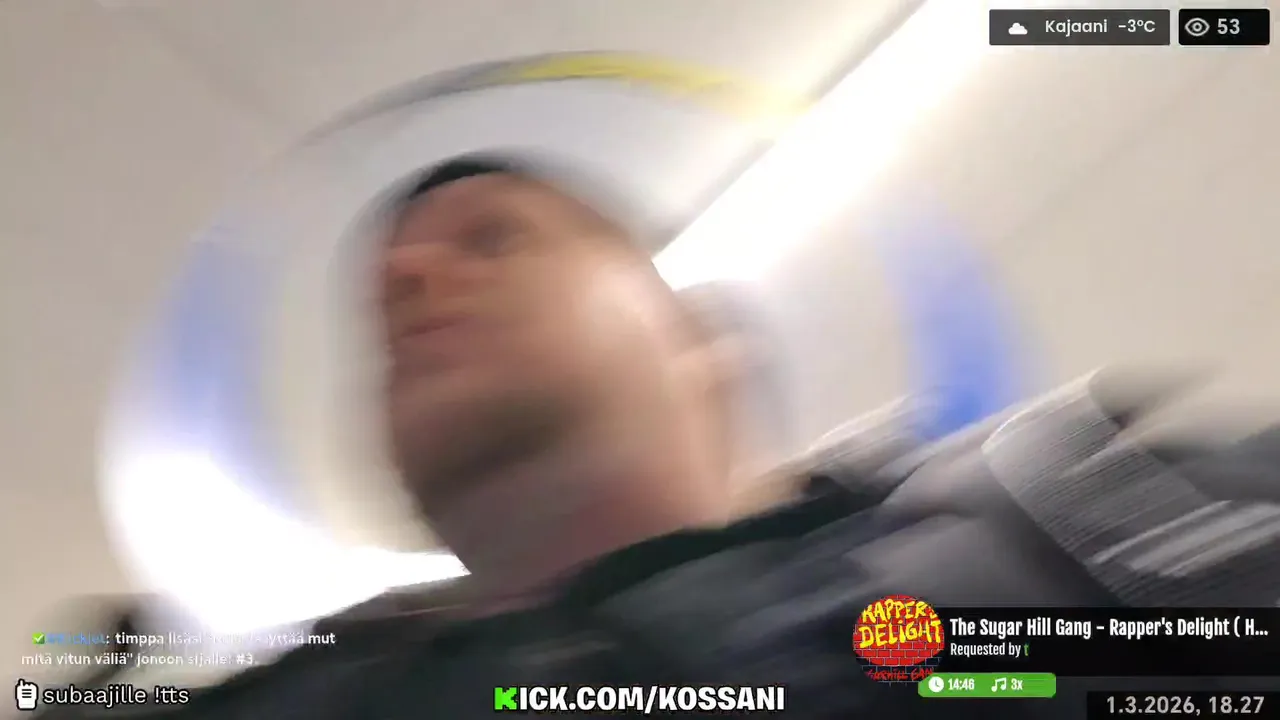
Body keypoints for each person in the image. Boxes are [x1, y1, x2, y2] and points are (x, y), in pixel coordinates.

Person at [37, 155, 1280, 719]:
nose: (408, 283)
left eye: (492, 238)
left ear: (698, 337)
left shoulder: (1083, 553)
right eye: (382, 301)